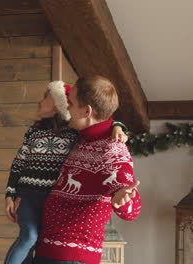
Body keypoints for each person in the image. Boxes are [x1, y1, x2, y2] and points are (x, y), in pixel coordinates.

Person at [4, 81, 128, 264]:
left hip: (50, 199)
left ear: (57, 104)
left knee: (37, 242)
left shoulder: (74, 132)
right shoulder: (33, 132)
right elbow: (18, 163)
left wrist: (118, 126)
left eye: (45, 97)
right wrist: (9, 193)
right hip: (27, 196)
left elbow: (100, 121)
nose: (39, 102)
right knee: (29, 236)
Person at [34, 76, 142, 264]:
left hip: (70, 257)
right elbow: (67, 91)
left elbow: (132, 210)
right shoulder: (83, 138)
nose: (67, 106)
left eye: (71, 103)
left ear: (87, 110)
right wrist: (115, 123)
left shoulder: (112, 149)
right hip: (50, 250)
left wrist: (121, 201)